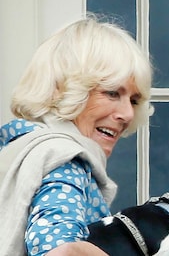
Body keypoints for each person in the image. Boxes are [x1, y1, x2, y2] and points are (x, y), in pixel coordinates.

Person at [0, 16, 153, 256]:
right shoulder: (64, 159)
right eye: (112, 93)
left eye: (134, 101)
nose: (127, 114)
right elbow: (60, 250)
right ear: (63, 89)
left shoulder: (15, 148)